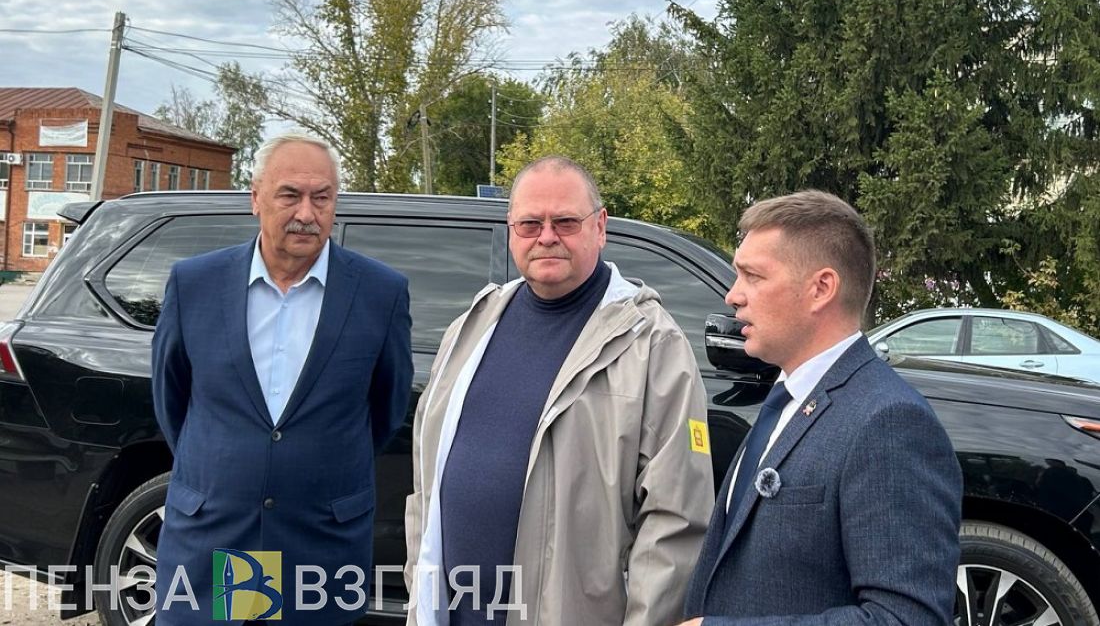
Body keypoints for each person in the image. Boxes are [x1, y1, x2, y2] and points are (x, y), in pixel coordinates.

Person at [404, 156, 713, 625]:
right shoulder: (471, 327)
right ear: (511, 230)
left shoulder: (652, 344)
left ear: (600, 226)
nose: (546, 236)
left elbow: (676, 520)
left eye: (565, 222)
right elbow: (424, 487)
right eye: (530, 224)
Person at [152, 133, 413, 625]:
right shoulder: (195, 284)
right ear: (256, 198)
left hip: (318, 541)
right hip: (217, 534)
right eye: (290, 194)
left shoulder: (381, 293)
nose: (307, 213)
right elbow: (173, 400)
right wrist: (237, 463)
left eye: (322, 197)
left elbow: (385, 409)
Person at [678, 190, 962, 625]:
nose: (733, 296)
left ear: (821, 288)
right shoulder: (787, 400)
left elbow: (905, 618)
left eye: (753, 276)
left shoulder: (889, 423)